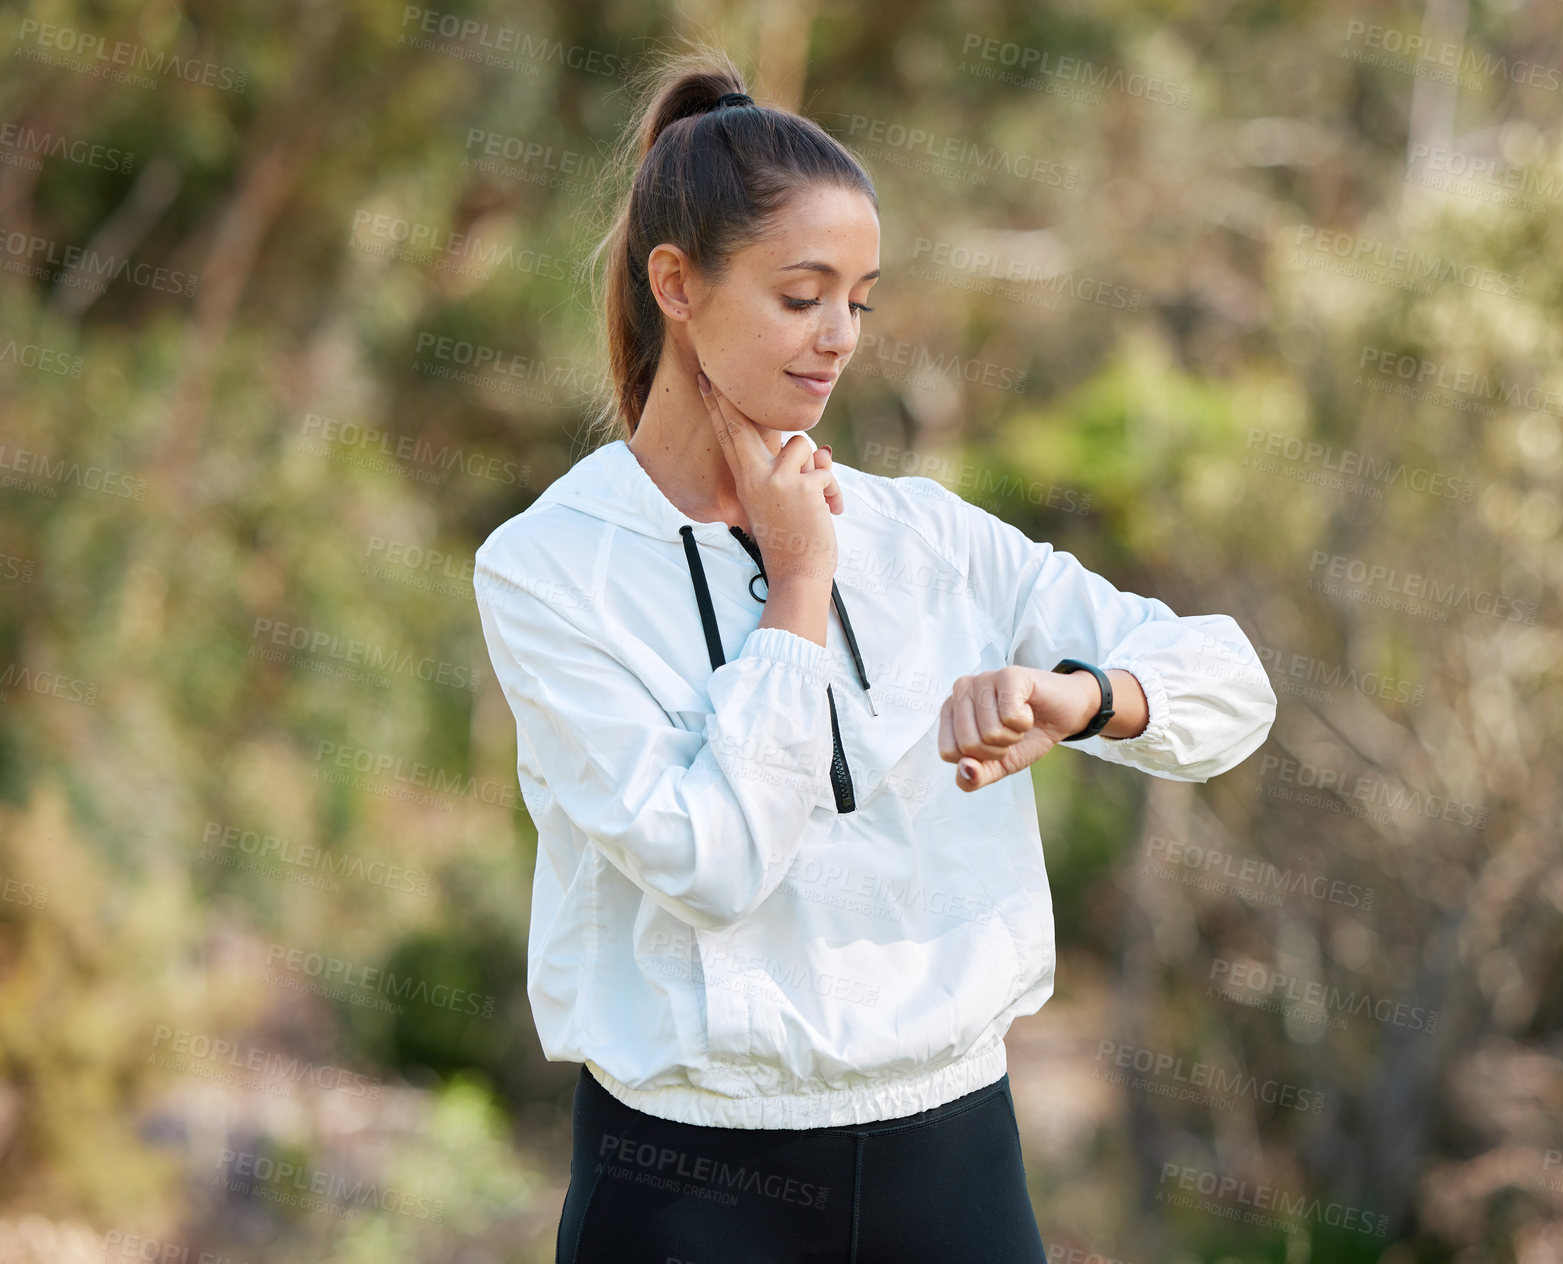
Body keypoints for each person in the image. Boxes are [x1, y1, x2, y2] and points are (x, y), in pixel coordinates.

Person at [472, 47, 1278, 1264]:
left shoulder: (927, 537)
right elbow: (713, 861)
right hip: (686, 1185)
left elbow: (1231, 683)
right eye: (801, 295)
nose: (840, 336)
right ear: (675, 283)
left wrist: (1078, 697)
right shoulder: (548, 568)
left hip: (953, 1166)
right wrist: (797, 584)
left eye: (861, 299)